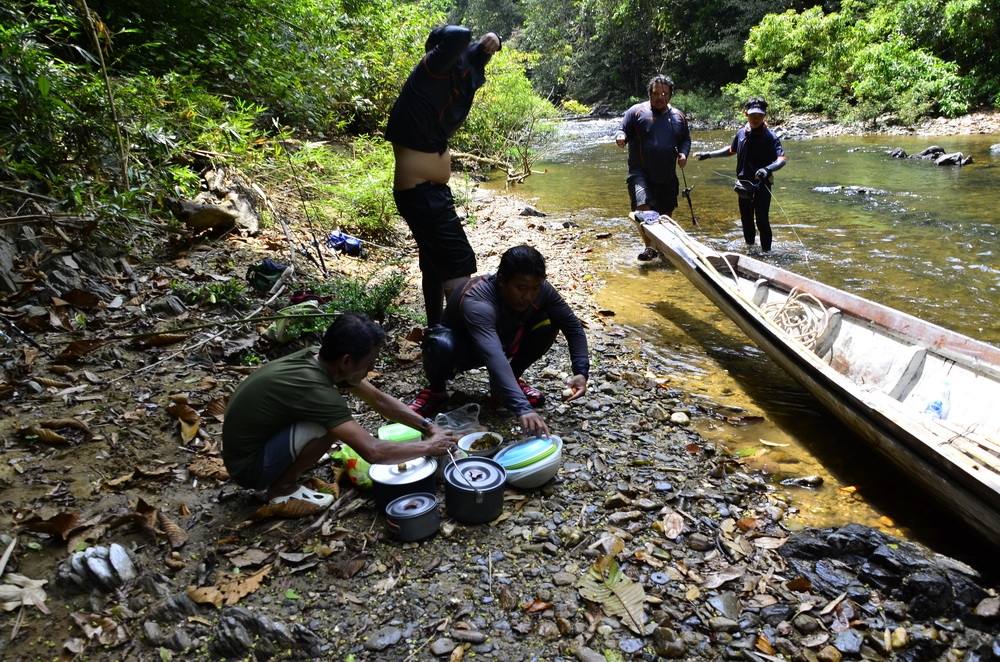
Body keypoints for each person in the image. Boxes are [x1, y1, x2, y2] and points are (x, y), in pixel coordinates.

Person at [222, 313, 456, 509]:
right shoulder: (317, 389)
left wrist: (428, 427)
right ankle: (282, 488)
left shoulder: (320, 359)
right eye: (370, 363)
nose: (371, 370)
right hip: (248, 467)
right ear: (346, 361)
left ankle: (284, 472)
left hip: (251, 445)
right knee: (328, 428)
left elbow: (379, 400)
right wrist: (428, 447)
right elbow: (373, 452)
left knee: (328, 423)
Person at [385, 25, 502, 326]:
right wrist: (478, 40)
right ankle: (467, 338)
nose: (463, 62)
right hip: (421, 194)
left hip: (425, 193)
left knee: (434, 265)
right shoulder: (427, 74)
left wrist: (490, 45)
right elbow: (459, 37)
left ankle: (437, 331)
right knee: (457, 262)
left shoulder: (449, 82)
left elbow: (471, 61)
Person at [409, 245, 589, 437]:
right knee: (438, 344)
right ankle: (436, 390)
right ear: (502, 281)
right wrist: (522, 408)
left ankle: (510, 380)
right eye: (521, 288)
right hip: (465, 348)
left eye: (535, 288)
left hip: (504, 340)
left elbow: (573, 326)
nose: (529, 296)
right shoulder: (478, 300)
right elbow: (492, 354)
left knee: (548, 323)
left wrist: (580, 371)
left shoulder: (542, 291)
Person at [694, 97, 787, 252]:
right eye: (752, 115)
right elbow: (731, 150)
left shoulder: (770, 136)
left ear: (764, 116)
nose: (756, 118)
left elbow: (782, 159)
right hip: (743, 184)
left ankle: (767, 254)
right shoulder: (741, 133)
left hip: (763, 184)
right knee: (746, 220)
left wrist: (768, 169)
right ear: (746, 114)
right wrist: (709, 154)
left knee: (762, 220)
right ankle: (750, 249)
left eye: (759, 115)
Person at [615, 74, 691, 261]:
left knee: (665, 216)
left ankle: (663, 249)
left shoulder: (678, 116)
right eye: (656, 93)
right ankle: (650, 248)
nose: (660, 97)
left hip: (667, 174)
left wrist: (683, 154)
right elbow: (621, 128)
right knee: (643, 210)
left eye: (665, 93)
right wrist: (621, 137)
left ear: (671, 95)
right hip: (639, 172)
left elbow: (685, 140)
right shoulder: (636, 112)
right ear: (650, 93)